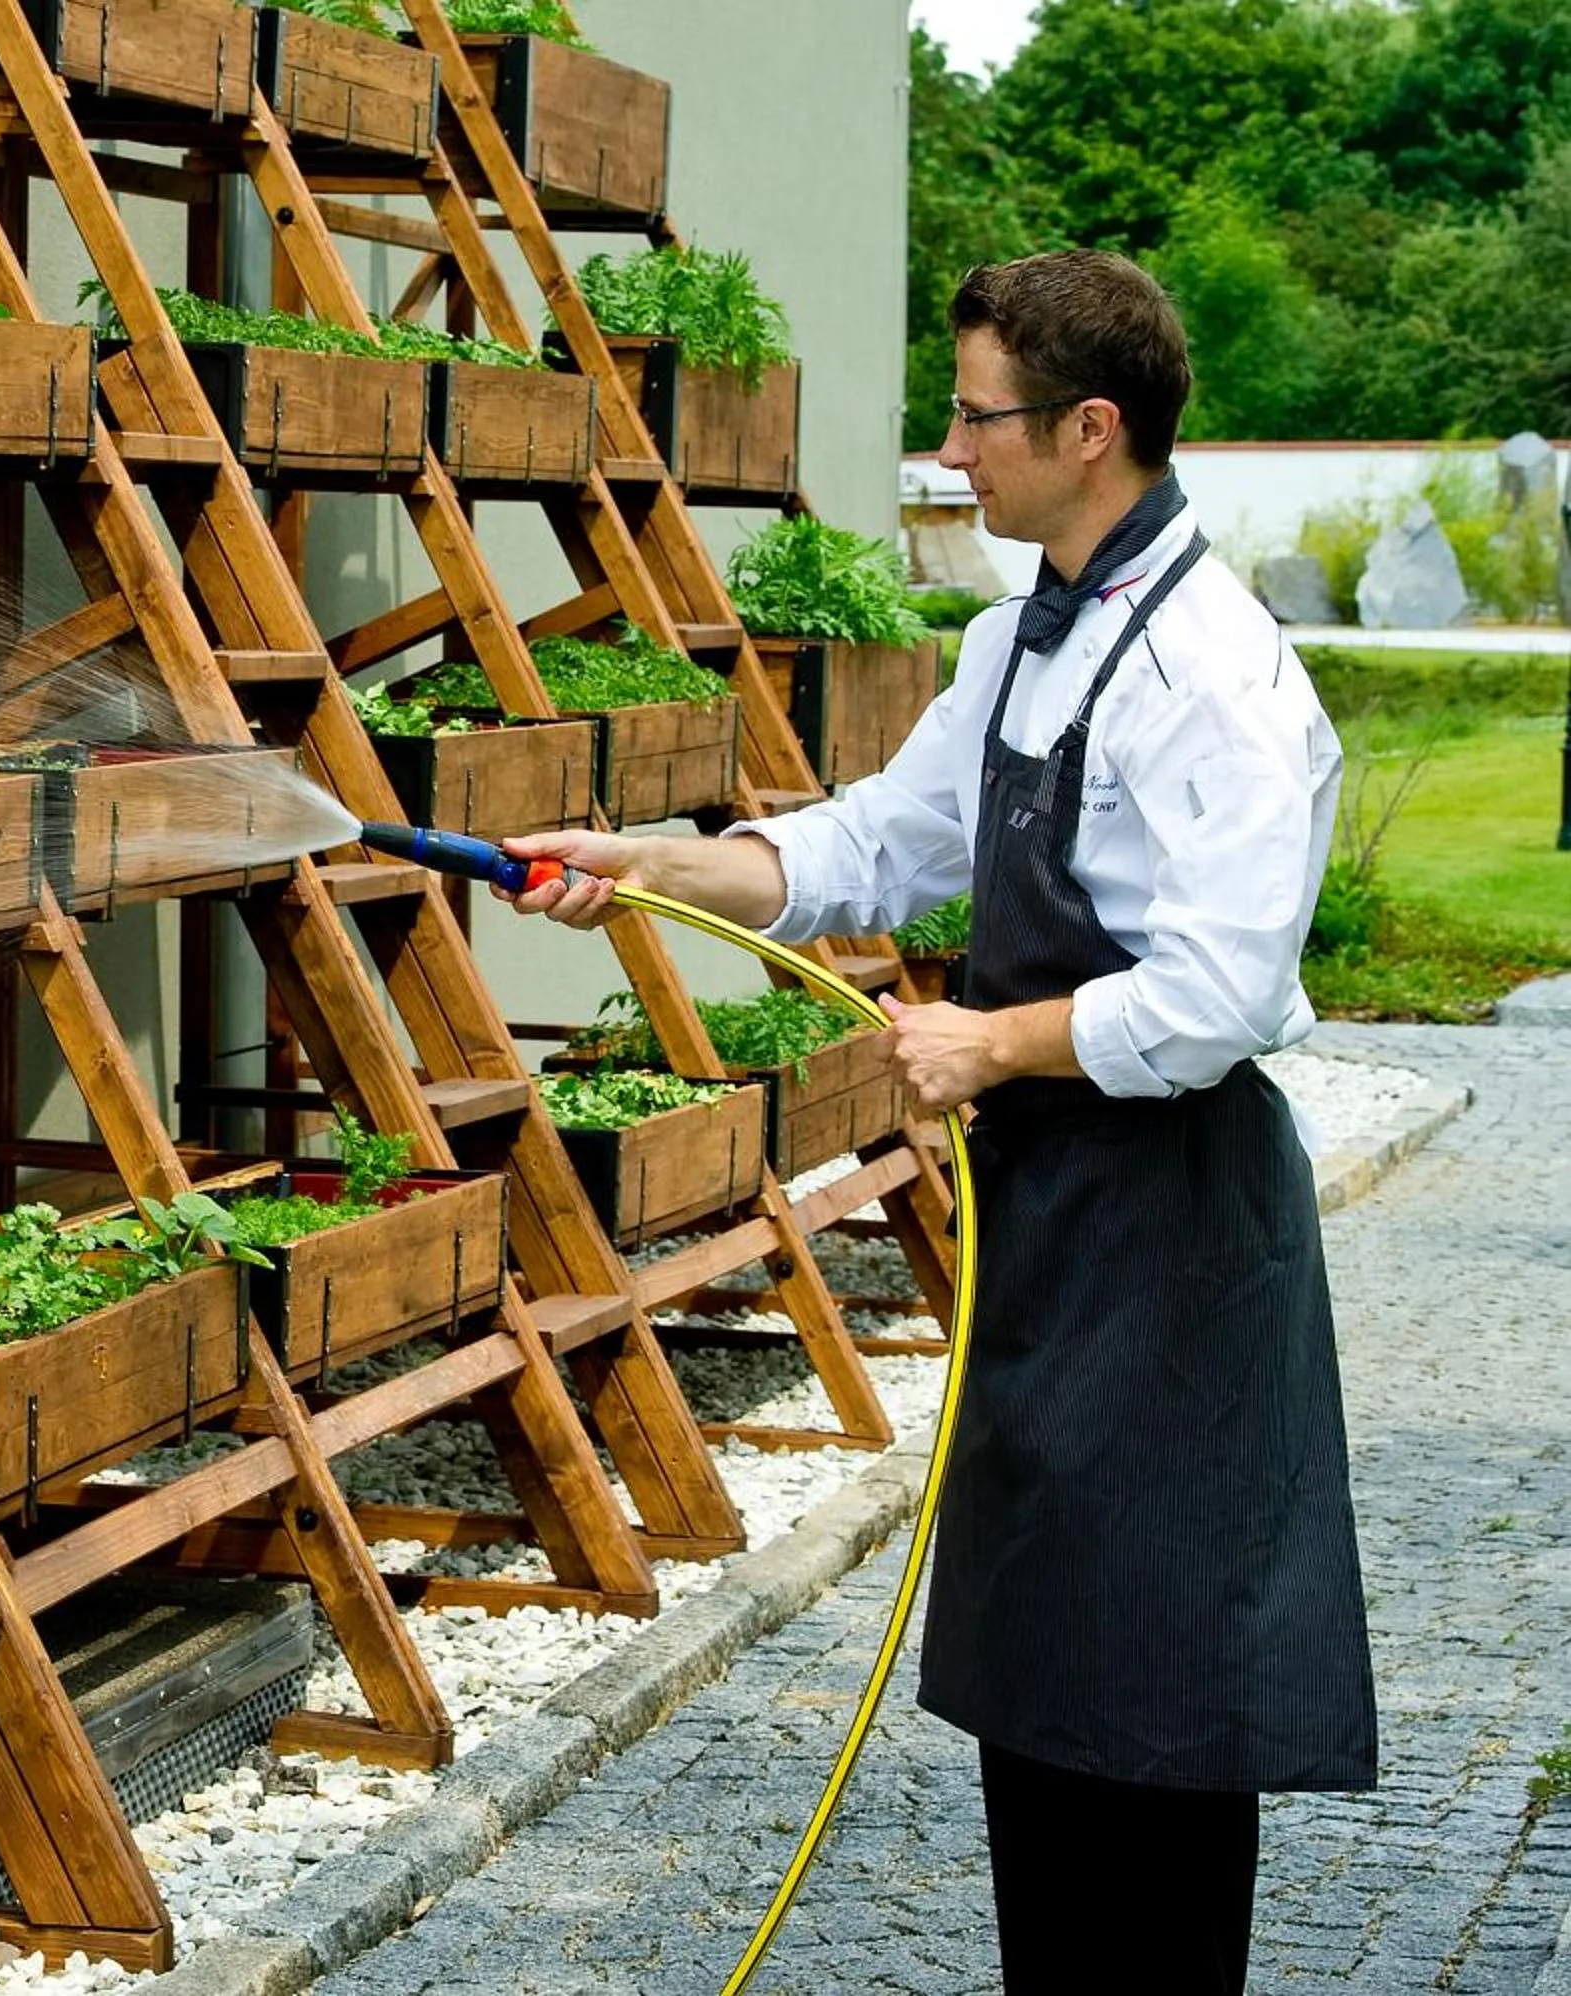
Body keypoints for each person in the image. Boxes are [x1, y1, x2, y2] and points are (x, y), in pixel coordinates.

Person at [499, 249, 1378, 1994]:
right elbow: (871, 844)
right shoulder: (1016, 645)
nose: (950, 449)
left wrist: (994, 1044)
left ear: (1091, 429)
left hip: (1179, 1232)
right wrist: (653, 860)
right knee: (1051, 1687)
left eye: (977, 416)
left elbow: (1224, 992)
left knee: (1158, 1703)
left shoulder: (1212, 668)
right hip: (1050, 1222)